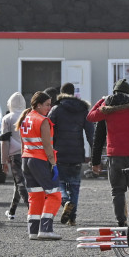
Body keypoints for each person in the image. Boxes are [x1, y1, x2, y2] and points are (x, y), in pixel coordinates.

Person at [88, 79, 129, 226]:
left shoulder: (107, 106)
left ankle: (121, 221)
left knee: (118, 191)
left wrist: (102, 101)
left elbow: (90, 116)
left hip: (115, 155)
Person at [18, 91, 62, 240]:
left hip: (26, 160)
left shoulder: (25, 118)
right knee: (54, 194)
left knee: (35, 196)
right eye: (47, 105)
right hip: (40, 160)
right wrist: (53, 164)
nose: (49, 108)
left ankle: (33, 231)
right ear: (38, 105)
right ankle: (46, 229)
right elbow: (47, 146)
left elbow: (24, 144)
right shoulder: (43, 121)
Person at [49, 83, 94, 226]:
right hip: (77, 153)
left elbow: (47, 129)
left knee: (59, 182)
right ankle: (72, 218)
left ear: (61, 93)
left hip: (59, 153)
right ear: (74, 93)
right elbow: (90, 134)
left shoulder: (56, 109)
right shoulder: (83, 110)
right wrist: (94, 154)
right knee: (74, 185)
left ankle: (65, 200)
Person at [0, 92, 29, 220]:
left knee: (21, 183)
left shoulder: (7, 118)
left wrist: (3, 160)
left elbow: (4, 141)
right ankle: (12, 211)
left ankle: (32, 209)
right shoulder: (28, 115)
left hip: (15, 155)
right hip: (29, 153)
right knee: (19, 183)